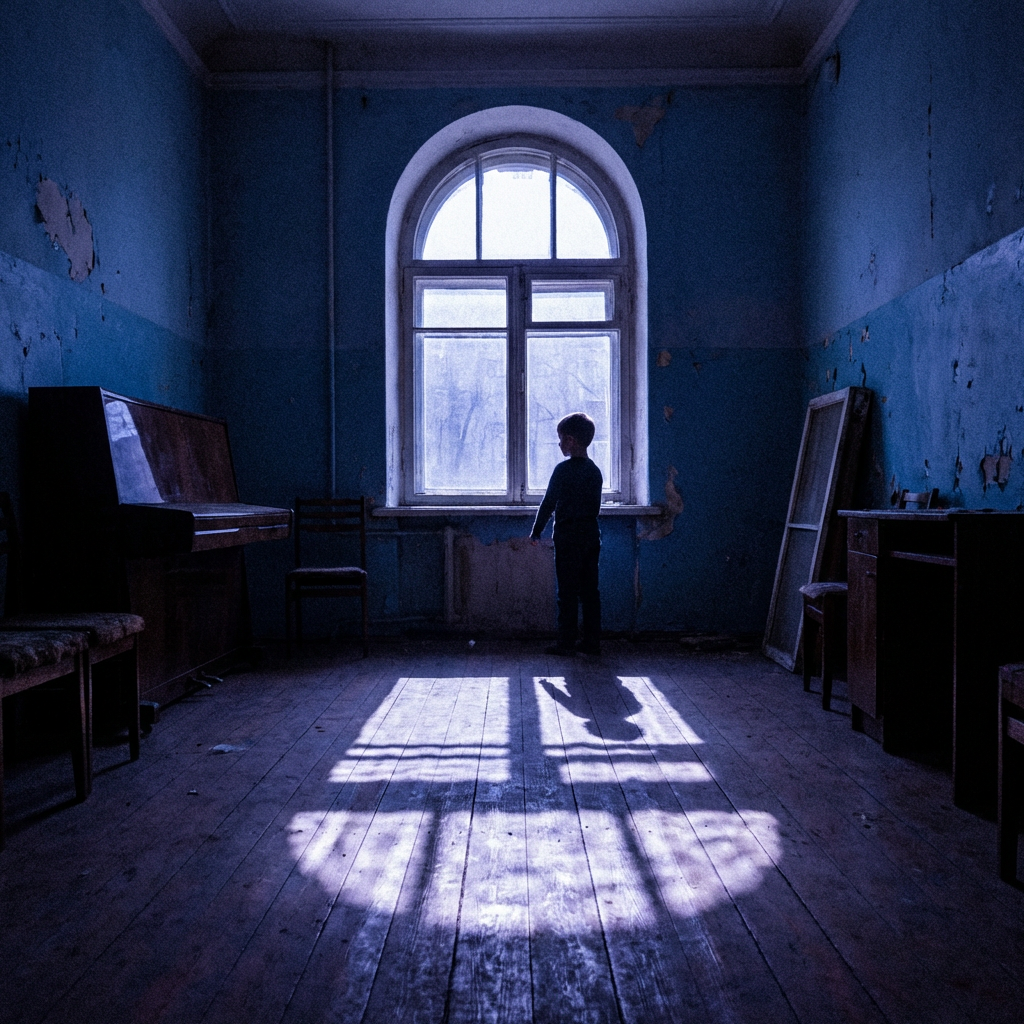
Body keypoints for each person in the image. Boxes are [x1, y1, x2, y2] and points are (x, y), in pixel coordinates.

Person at [529, 412, 603, 656]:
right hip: (590, 536)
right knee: (590, 591)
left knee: (567, 591)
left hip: (568, 537)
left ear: (570, 440)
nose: (559, 443)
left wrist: (536, 531)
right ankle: (592, 642)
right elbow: (594, 508)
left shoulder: (562, 471)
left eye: (560, 438)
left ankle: (566, 642)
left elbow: (549, 503)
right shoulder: (594, 471)